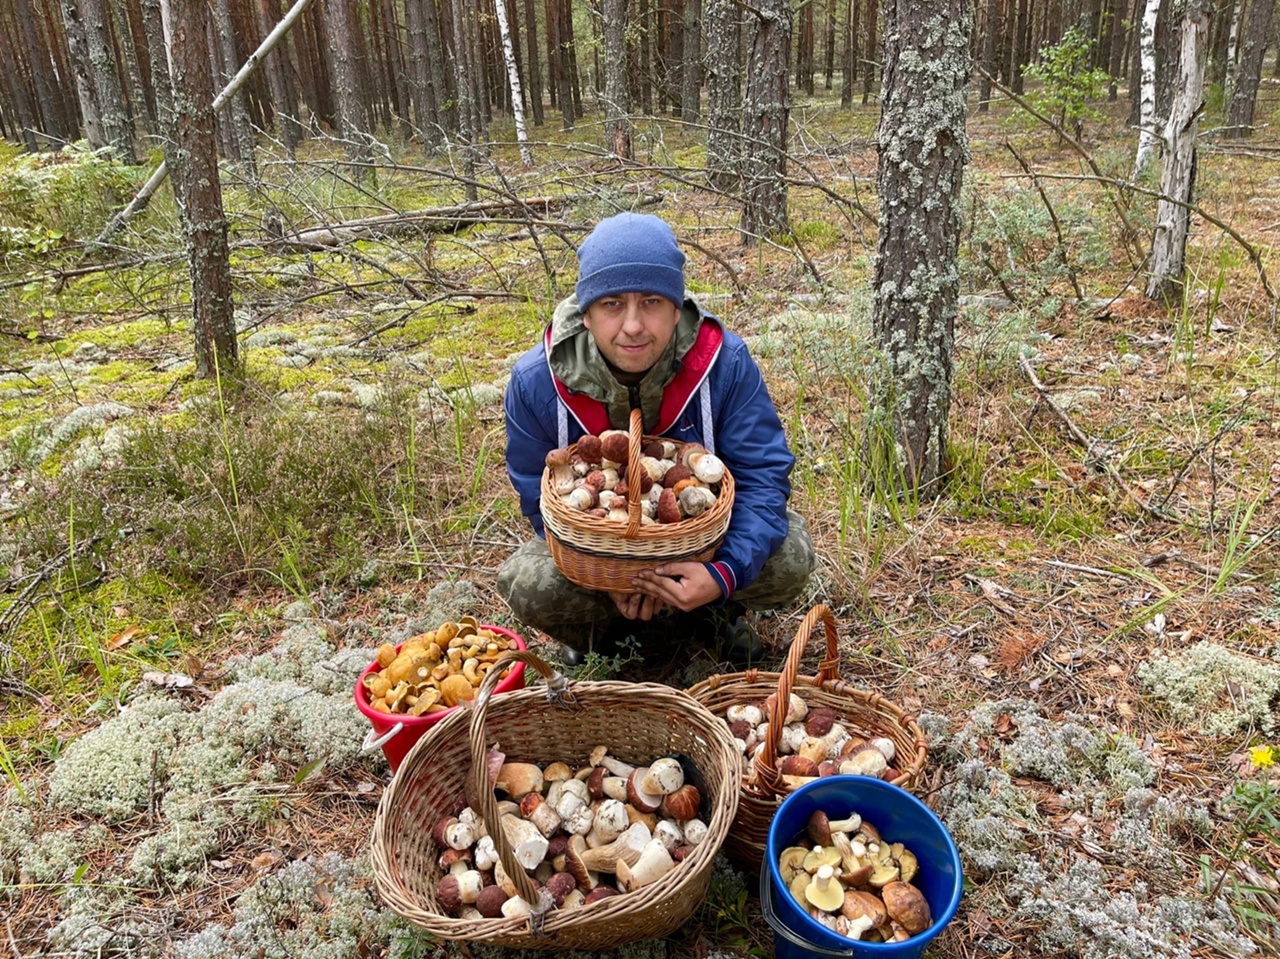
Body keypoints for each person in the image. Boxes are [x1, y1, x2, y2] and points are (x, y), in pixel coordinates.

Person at [497, 212, 815, 665]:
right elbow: (536, 494)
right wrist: (612, 580)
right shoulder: (537, 382)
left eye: (651, 301)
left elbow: (763, 476)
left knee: (790, 557)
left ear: (676, 307)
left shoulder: (723, 364)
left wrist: (722, 573)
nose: (632, 326)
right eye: (611, 304)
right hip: (598, 554)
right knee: (527, 582)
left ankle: (715, 612)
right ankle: (599, 628)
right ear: (585, 312)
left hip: (703, 546)